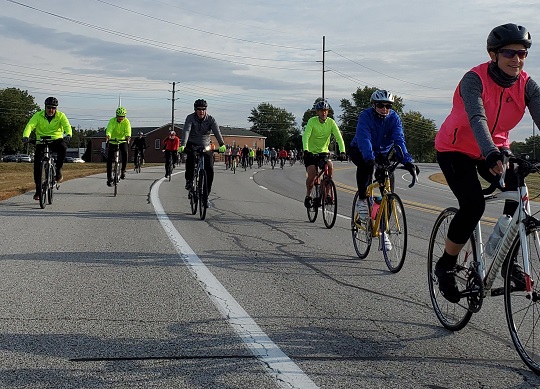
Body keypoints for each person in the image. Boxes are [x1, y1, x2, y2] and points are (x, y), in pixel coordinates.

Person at [434, 23, 540, 303]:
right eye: (509, 52)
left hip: (494, 149)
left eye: (522, 53)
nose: (516, 59)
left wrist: (496, 151)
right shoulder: (474, 79)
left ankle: (505, 257)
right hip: (455, 149)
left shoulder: (527, 85)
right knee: (473, 204)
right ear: (493, 54)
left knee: (519, 191)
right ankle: (445, 265)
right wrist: (491, 152)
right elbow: (477, 118)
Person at [349, 90, 418, 220]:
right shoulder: (365, 116)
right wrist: (369, 158)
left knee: (388, 184)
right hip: (360, 149)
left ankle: (383, 231)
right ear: (373, 105)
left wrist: (407, 161)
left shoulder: (394, 118)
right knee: (366, 167)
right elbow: (364, 139)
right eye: (380, 105)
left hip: (382, 153)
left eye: (388, 106)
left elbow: (399, 140)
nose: (384, 109)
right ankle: (363, 199)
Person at [22, 96, 72, 200]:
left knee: (63, 147)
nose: (51, 110)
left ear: (56, 108)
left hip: (56, 140)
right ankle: (38, 191)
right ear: (45, 107)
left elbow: (67, 126)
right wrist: (26, 136)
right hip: (41, 141)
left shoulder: (61, 116)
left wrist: (68, 134)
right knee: (37, 166)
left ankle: (58, 170)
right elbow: (30, 125)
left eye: (53, 108)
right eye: (49, 107)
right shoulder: (38, 115)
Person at [179, 99, 226, 203]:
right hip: (192, 144)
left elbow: (217, 131)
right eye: (199, 109)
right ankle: (189, 180)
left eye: (203, 109)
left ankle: (206, 196)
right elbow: (186, 130)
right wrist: (183, 145)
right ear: (195, 110)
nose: (201, 111)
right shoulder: (190, 118)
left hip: (206, 145)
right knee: (191, 157)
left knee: (210, 169)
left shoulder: (211, 119)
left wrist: (222, 144)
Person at [302, 99, 346, 207]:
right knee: (312, 175)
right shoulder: (312, 121)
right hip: (311, 153)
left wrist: (342, 151)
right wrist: (306, 150)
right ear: (317, 112)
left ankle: (327, 195)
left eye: (326, 110)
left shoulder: (331, 122)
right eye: (321, 111)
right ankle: (308, 195)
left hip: (323, 152)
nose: (324, 112)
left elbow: (339, 138)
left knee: (330, 167)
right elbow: (306, 136)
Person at [105, 107, 131, 186]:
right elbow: (109, 129)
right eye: (119, 117)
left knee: (125, 153)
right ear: (116, 116)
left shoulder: (126, 122)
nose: (120, 119)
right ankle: (109, 178)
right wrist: (108, 135)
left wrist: (128, 136)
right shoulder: (112, 121)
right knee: (109, 159)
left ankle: (123, 170)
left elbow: (128, 130)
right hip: (113, 141)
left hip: (122, 140)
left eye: (122, 117)